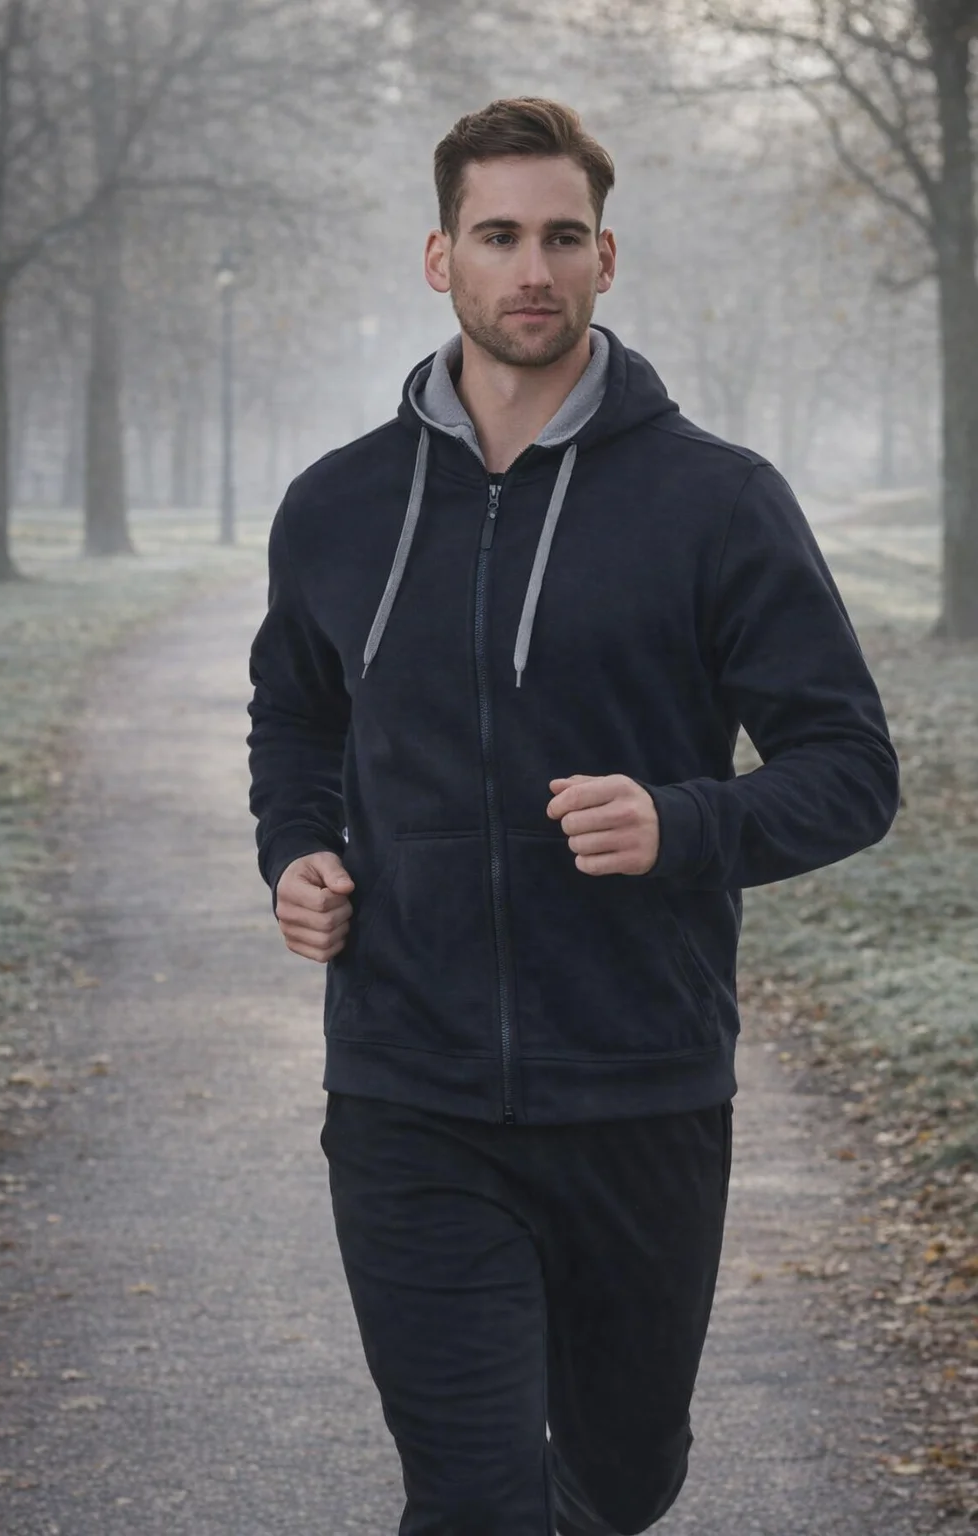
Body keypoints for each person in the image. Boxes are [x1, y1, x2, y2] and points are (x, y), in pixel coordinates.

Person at [246, 97, 899, 1536]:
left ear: (605, 256)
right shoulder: (339, 507)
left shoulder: (718, 503)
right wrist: (293, 849)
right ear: (441, 258)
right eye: (498, 236)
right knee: (476, 1501)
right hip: (408, 1091)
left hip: (642, 1090)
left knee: (617, 1482)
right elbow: (297, 717)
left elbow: (850, 767)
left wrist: (686, 824)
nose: (529, 267)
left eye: (560, 236)